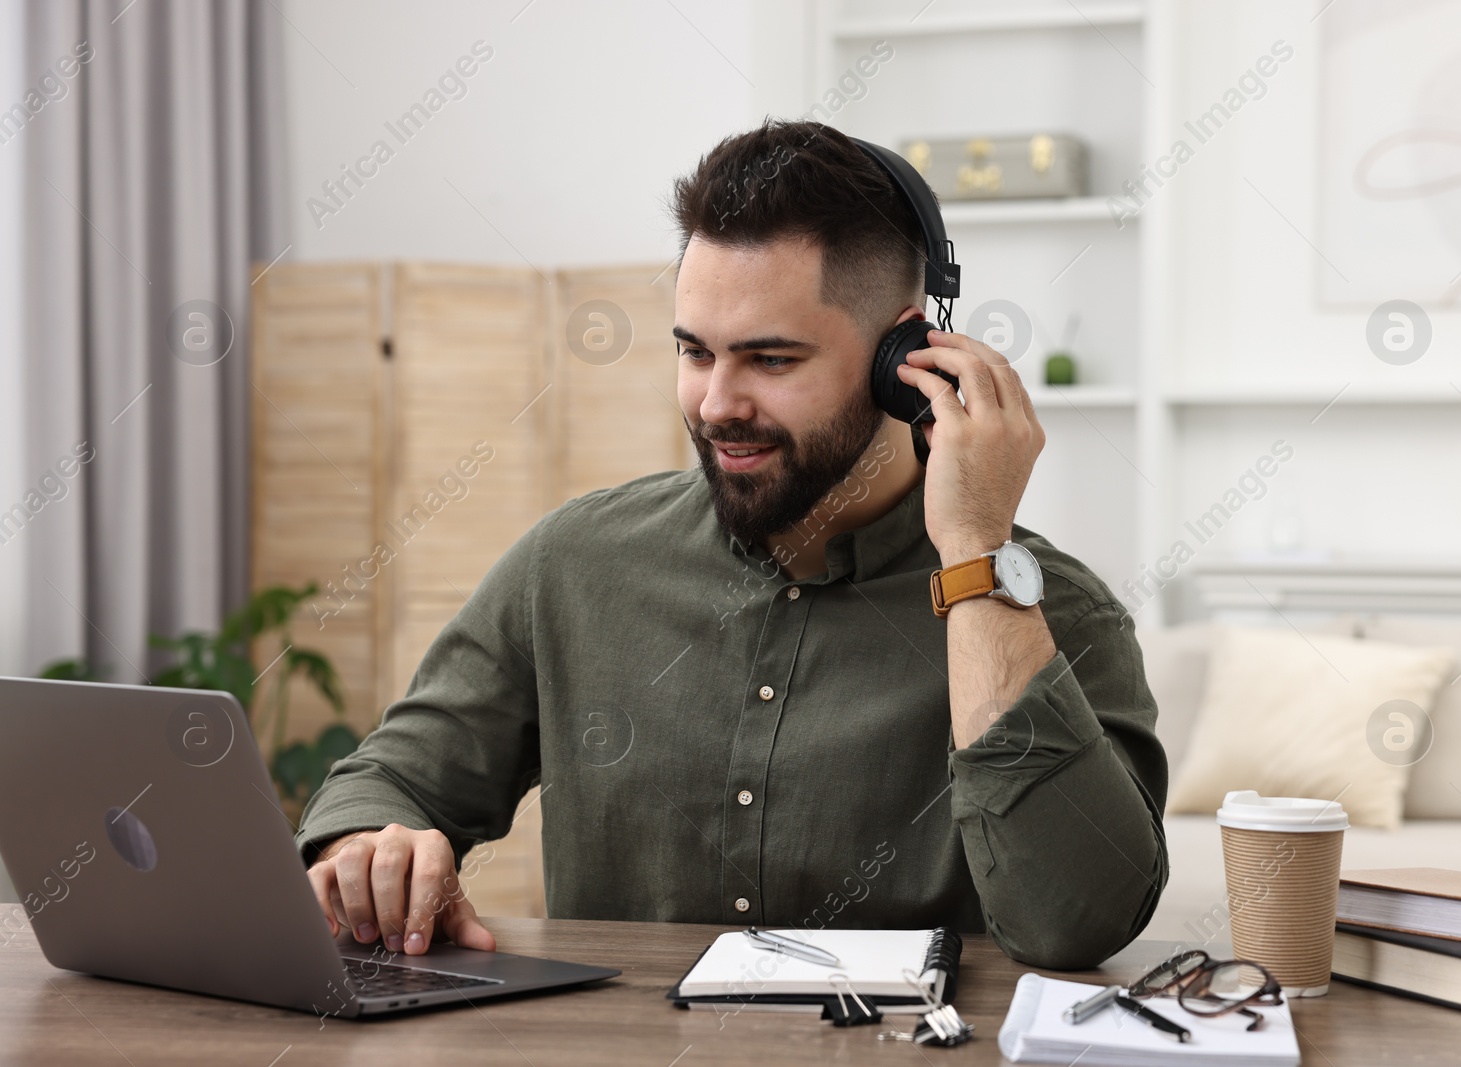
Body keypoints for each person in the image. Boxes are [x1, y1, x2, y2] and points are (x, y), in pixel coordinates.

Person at [294, 119, 1168, 971]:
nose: (716, 402)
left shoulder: (1057, 612)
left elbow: (1075, 920)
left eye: (771, 360)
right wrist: (373, 846)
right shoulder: (574, 564)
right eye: (695, 351)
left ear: (906, 357)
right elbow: (392, 779)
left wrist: (974, 555)